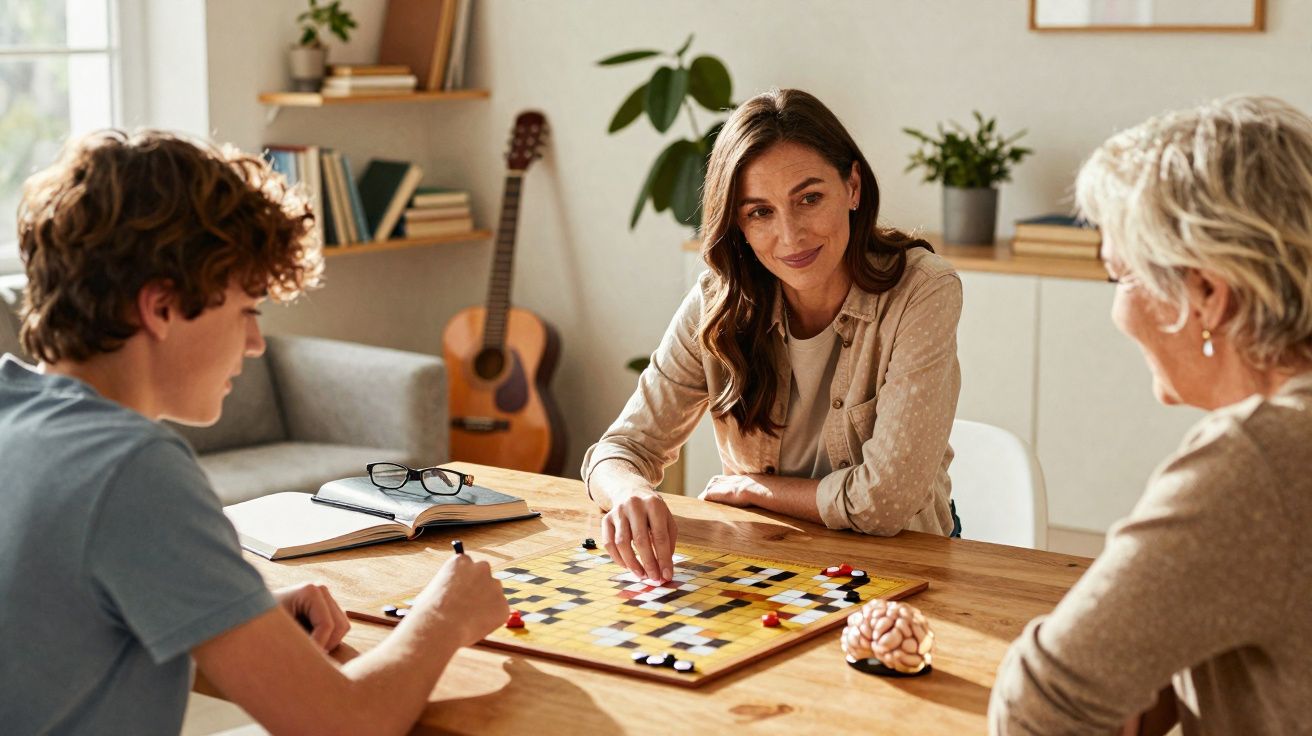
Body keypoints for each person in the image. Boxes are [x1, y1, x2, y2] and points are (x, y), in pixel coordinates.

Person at [0, 130, 508, 735]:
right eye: (247, 310)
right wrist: (443, 617)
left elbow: (62, 630)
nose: (256, 343)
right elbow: (348, 725)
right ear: (161, 307)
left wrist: (236, 616)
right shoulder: (132, 466)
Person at [990, 96, 1312, 734]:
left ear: (1206, 294)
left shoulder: (1258, 460)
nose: (1116, 312)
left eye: (1120, 278)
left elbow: (1040, 709)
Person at [583, 89, 963, 584]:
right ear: (738, 224)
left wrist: (757, 490)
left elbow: (883, 503)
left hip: (902, 567)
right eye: (760, 212)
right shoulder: (718, 302)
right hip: (765, 565)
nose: (791, 235)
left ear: (852, 187)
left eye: (809, 198)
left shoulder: (922, 290)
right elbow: (619, 450)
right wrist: (631, 491)